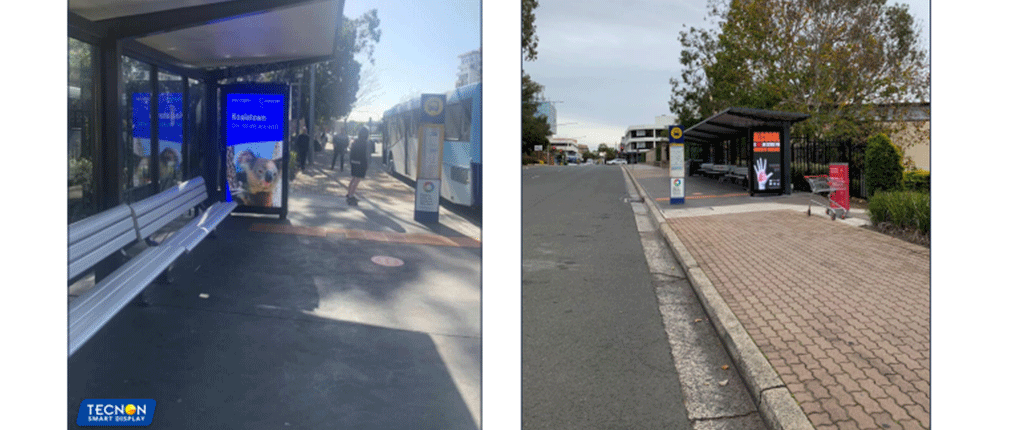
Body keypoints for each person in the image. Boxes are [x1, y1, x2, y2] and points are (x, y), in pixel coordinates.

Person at [346, 126, 370, 205]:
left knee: (353, 178)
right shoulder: (366, 143)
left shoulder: (355, 141)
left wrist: (351, 161)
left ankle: (349, 193)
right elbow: (367, 155)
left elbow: (351, 151)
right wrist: (367, 165)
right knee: (357, 180)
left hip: (353, 162)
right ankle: (351, 196)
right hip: (361, 163)